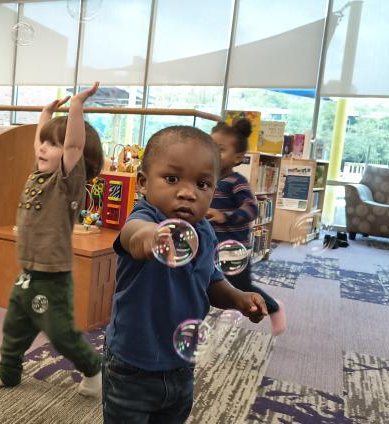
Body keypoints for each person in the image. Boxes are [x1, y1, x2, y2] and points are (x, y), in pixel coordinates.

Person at [102, 125, 268, 423]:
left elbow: (211, 281)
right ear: (143, 182)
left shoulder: (204, 230)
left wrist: (239, 298)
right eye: (172, 179)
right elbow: (133, 236)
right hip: (131, 365)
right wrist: (154, 238)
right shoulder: (146, 217)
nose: (188, 193)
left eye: (202, 184)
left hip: (182, 361)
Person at [0, 82, 103, 398]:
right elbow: (41, 143)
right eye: (43, 142)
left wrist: (76, 106)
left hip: (52, 279)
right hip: (28, 275)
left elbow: (73, 146)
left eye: (52, 145)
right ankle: (9, 372)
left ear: (76, 158)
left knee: (60, 333)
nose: (42, 148)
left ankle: (94, 367)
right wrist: (45, 115)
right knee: (14, 329)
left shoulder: (66, 181)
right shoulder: (40, 173)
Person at [206, 119, 287, 336]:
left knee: (243, 287)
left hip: (234, 250)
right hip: (210, 246)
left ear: (238, 158)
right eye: (211, 147)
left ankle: (273, 307)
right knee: (207, 280)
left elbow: (252, 209)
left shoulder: (236, 181)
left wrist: (225, 216)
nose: (213, 153)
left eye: (221, 150)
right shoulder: (206, 178)